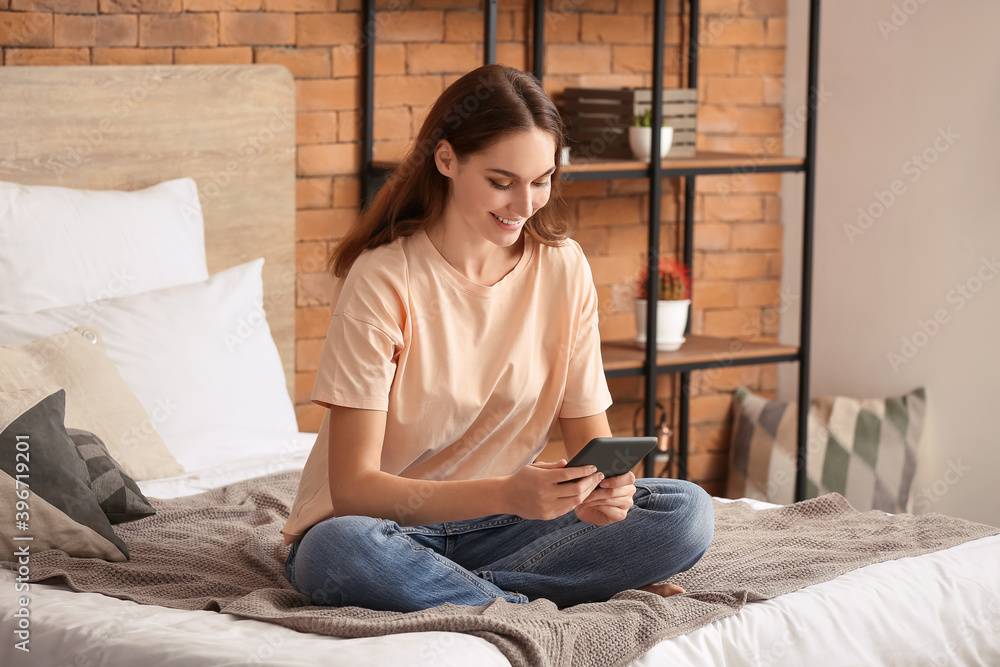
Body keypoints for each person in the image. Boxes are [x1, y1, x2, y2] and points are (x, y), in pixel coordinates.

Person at [281, 64, 714, 613]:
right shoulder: (384, 278)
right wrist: (507, 492)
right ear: (446, 160)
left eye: (542, 180)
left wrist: (607, 493)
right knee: (335, 553)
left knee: (686, 511)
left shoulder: (564, 269)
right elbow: (353, 490)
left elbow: (592, 448)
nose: (525, 205)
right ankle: (520, 604)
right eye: (501, 182)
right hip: (384, 531)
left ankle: (458, 592)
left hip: (504, 528)